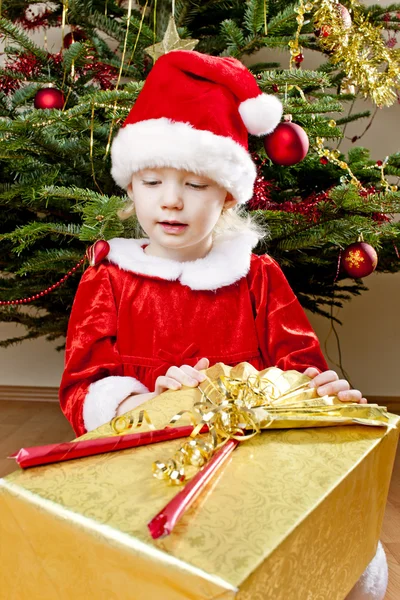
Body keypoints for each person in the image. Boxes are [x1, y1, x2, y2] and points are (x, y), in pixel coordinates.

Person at [59, 50, 387, 600]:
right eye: (152, 181)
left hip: (246, 467)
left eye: (195, 184)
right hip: (144, 464)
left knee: (352, 560)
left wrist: (315, 392)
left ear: (228, 193)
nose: (170, 200)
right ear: (130, 187)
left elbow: (300, 366)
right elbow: (81, 389)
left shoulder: (257, 277)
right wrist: (139, 405)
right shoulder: (109, 279)